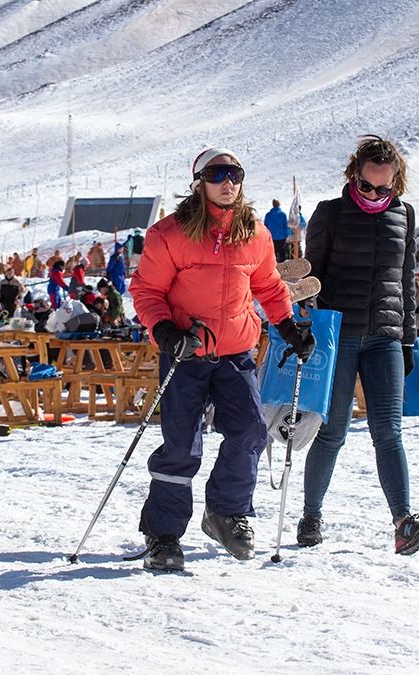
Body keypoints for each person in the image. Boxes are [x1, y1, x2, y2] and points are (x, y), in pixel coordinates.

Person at [129, 147, 310, 572]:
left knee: (250, 432)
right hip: (186, 352)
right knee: (181, 445)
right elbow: (146, 291)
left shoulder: (255, 234)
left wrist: (288, 326)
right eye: (217, 174)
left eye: (235, 174)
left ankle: (226, 514)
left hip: (235, 352)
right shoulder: (168, 234)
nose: (228, 182)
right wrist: (165, 330)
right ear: (199, 182)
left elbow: (268, 286)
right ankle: (164, 535)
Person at [300, 135, 419, 556]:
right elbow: (311, 279)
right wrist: (307, 320)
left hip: (386, 338)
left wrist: (408, 339)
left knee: (389, 432)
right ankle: (311, 515)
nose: (376, 194)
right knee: (333, 432)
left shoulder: (404, 215)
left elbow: (406, 280)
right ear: (353, 176)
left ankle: (403, 523)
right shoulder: (329, 214)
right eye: (367, 186)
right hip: (339, 336)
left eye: (384, 188)